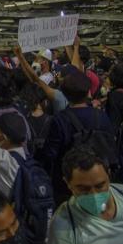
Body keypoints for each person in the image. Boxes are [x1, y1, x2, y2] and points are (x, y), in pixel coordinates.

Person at [38, 72, 116, 204]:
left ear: (65, 94)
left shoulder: (60, 120)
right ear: (88, 92)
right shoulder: (101, 116)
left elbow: (50, 153)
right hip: (98, 180)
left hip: (68, 185)